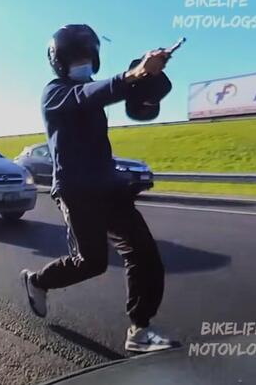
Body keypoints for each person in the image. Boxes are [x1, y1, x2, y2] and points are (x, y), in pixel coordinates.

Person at [19, 24, 179, 353]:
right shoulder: (56, 92)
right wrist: (135, 73)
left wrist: (147, 82)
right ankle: (37, 281)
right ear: (59, 63)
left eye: (88, 56)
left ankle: (140, 331)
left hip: (109, 187)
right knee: (91, 262)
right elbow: (89, 95)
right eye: (77, 57)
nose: (84, 62)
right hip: (76, 191)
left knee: (145, 255)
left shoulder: (95, 91)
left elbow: (115, 95)